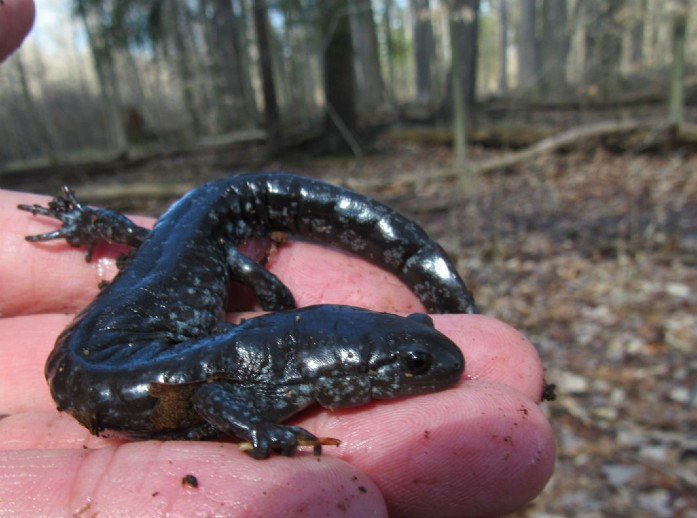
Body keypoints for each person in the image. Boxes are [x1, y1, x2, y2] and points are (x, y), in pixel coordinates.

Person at [0, 2, 555, 515]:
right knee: (189, 261)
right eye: (408, 364)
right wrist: (261, 427)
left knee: (175, 257)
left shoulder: (276, 367)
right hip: (115, 345)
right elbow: (214, 396)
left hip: (134, 309)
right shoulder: (266, 376)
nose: (424, 366)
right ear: (335, 373)